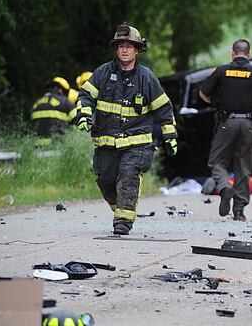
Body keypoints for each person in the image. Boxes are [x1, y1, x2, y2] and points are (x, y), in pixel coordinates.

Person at [76, 23, 178, 235]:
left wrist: (170, 136)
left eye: (129, 46)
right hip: (106, 141)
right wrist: (84, 114)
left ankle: (123, 222)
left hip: (138, 142)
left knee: (128, 173)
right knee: (105, 179)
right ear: (116, 49)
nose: (124, 49)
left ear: (137, 50)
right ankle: (122, 207)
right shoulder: (102, 73)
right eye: (121, 45)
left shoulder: (146, 77)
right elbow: (86, 96)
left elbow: (163, 108)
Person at [199, 39, 252, 222]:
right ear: (248, 55)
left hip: (227, 121)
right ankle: (239, 211)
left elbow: (203, 93)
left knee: (217, 161)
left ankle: (225, 187)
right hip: (248, 124)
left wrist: (217, 104)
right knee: (243, 166)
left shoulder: (221, 71)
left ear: (233, 53)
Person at [31, 76, 76, 145]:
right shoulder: (64, 101)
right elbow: (78, 119)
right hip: (57, 145)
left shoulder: (36, 103)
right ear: (61, 90)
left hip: (36, 147)